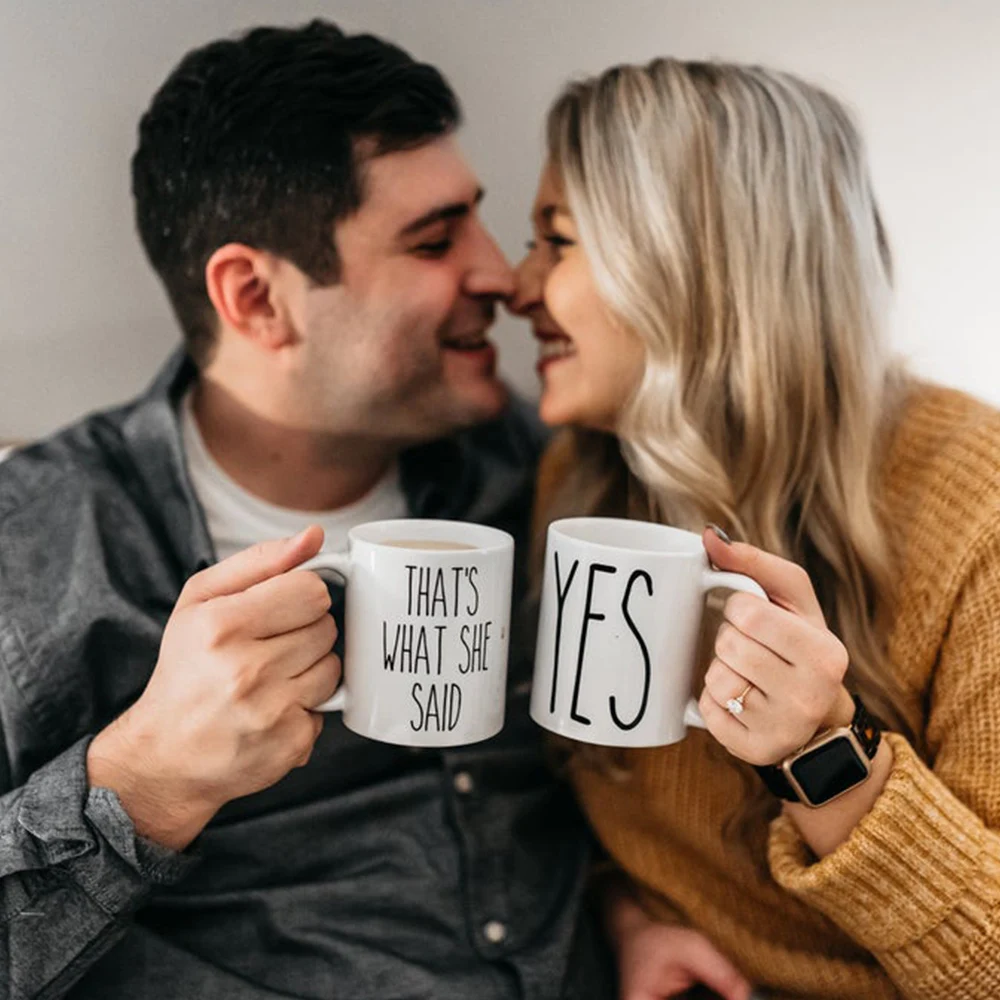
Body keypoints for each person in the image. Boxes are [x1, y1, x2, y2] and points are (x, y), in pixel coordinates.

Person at [0, 22, 609, 1000]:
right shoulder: (28, 554)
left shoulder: (547, 477)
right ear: (255, 296)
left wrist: (630, 903)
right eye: (434, 239)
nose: (500, 276)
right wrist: (140, 783)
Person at [510, 57, 1000, 1000]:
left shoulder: (974, 508)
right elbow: (582, 798)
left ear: (687, 264)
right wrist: (631, 915)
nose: (517, 286)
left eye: (557, 243)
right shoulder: (579, 477)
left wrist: (824, 756)